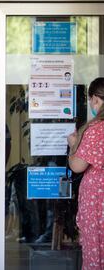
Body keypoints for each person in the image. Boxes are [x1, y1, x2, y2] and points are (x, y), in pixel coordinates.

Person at [67, 77, 104, 270]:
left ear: (95, 99)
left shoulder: (96, 130)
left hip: (97, 201)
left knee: (95, 250)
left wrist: (74, 146)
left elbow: (78, 166)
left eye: (91, 100)